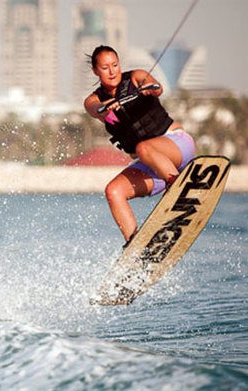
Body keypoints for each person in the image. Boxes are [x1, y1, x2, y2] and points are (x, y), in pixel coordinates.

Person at [83, 45, 196, 247]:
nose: (112, 71)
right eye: (105, 67)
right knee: (113, 191)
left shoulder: (136, 77)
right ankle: (135, 246)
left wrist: (147, 88)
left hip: (177, 146)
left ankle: (178, 190)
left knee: (144, 148)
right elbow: (95, 108)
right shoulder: (94, 100)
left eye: (115, 65)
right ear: (95, 71)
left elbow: (156, 87)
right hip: (153, 166)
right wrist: (107, 107)